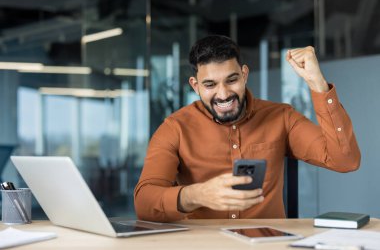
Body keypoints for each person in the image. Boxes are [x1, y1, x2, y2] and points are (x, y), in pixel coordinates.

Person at [134, 35, 361, 222]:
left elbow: (345, 160)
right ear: (195, 85)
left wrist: (318, 85)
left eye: (231, 80)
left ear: (244, 74)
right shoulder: (175, 128)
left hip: (268, 244)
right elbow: (144, 203)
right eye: (210, 84)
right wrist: (197, 195)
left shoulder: (281, 117)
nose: (223, 94)